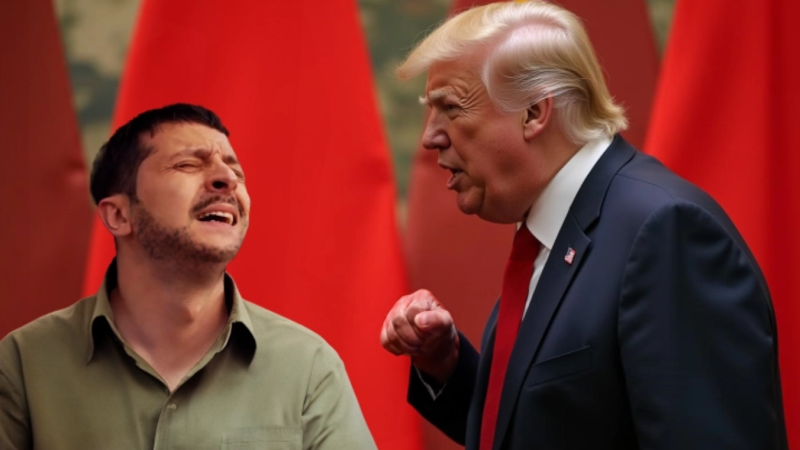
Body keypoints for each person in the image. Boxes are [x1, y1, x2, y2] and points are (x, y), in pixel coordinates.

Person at [379, 2, 787, 450]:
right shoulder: (556, 228)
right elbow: (557, 424)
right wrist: (446, 364)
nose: (430, 136)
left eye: (451, 108)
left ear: (534, 112)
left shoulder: (667, 232)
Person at [0, 103, 377, 450]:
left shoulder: (308, 366)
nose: (227, 179)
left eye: (236, 172)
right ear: (118, 215)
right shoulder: (24, 363)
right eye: (187, 165)